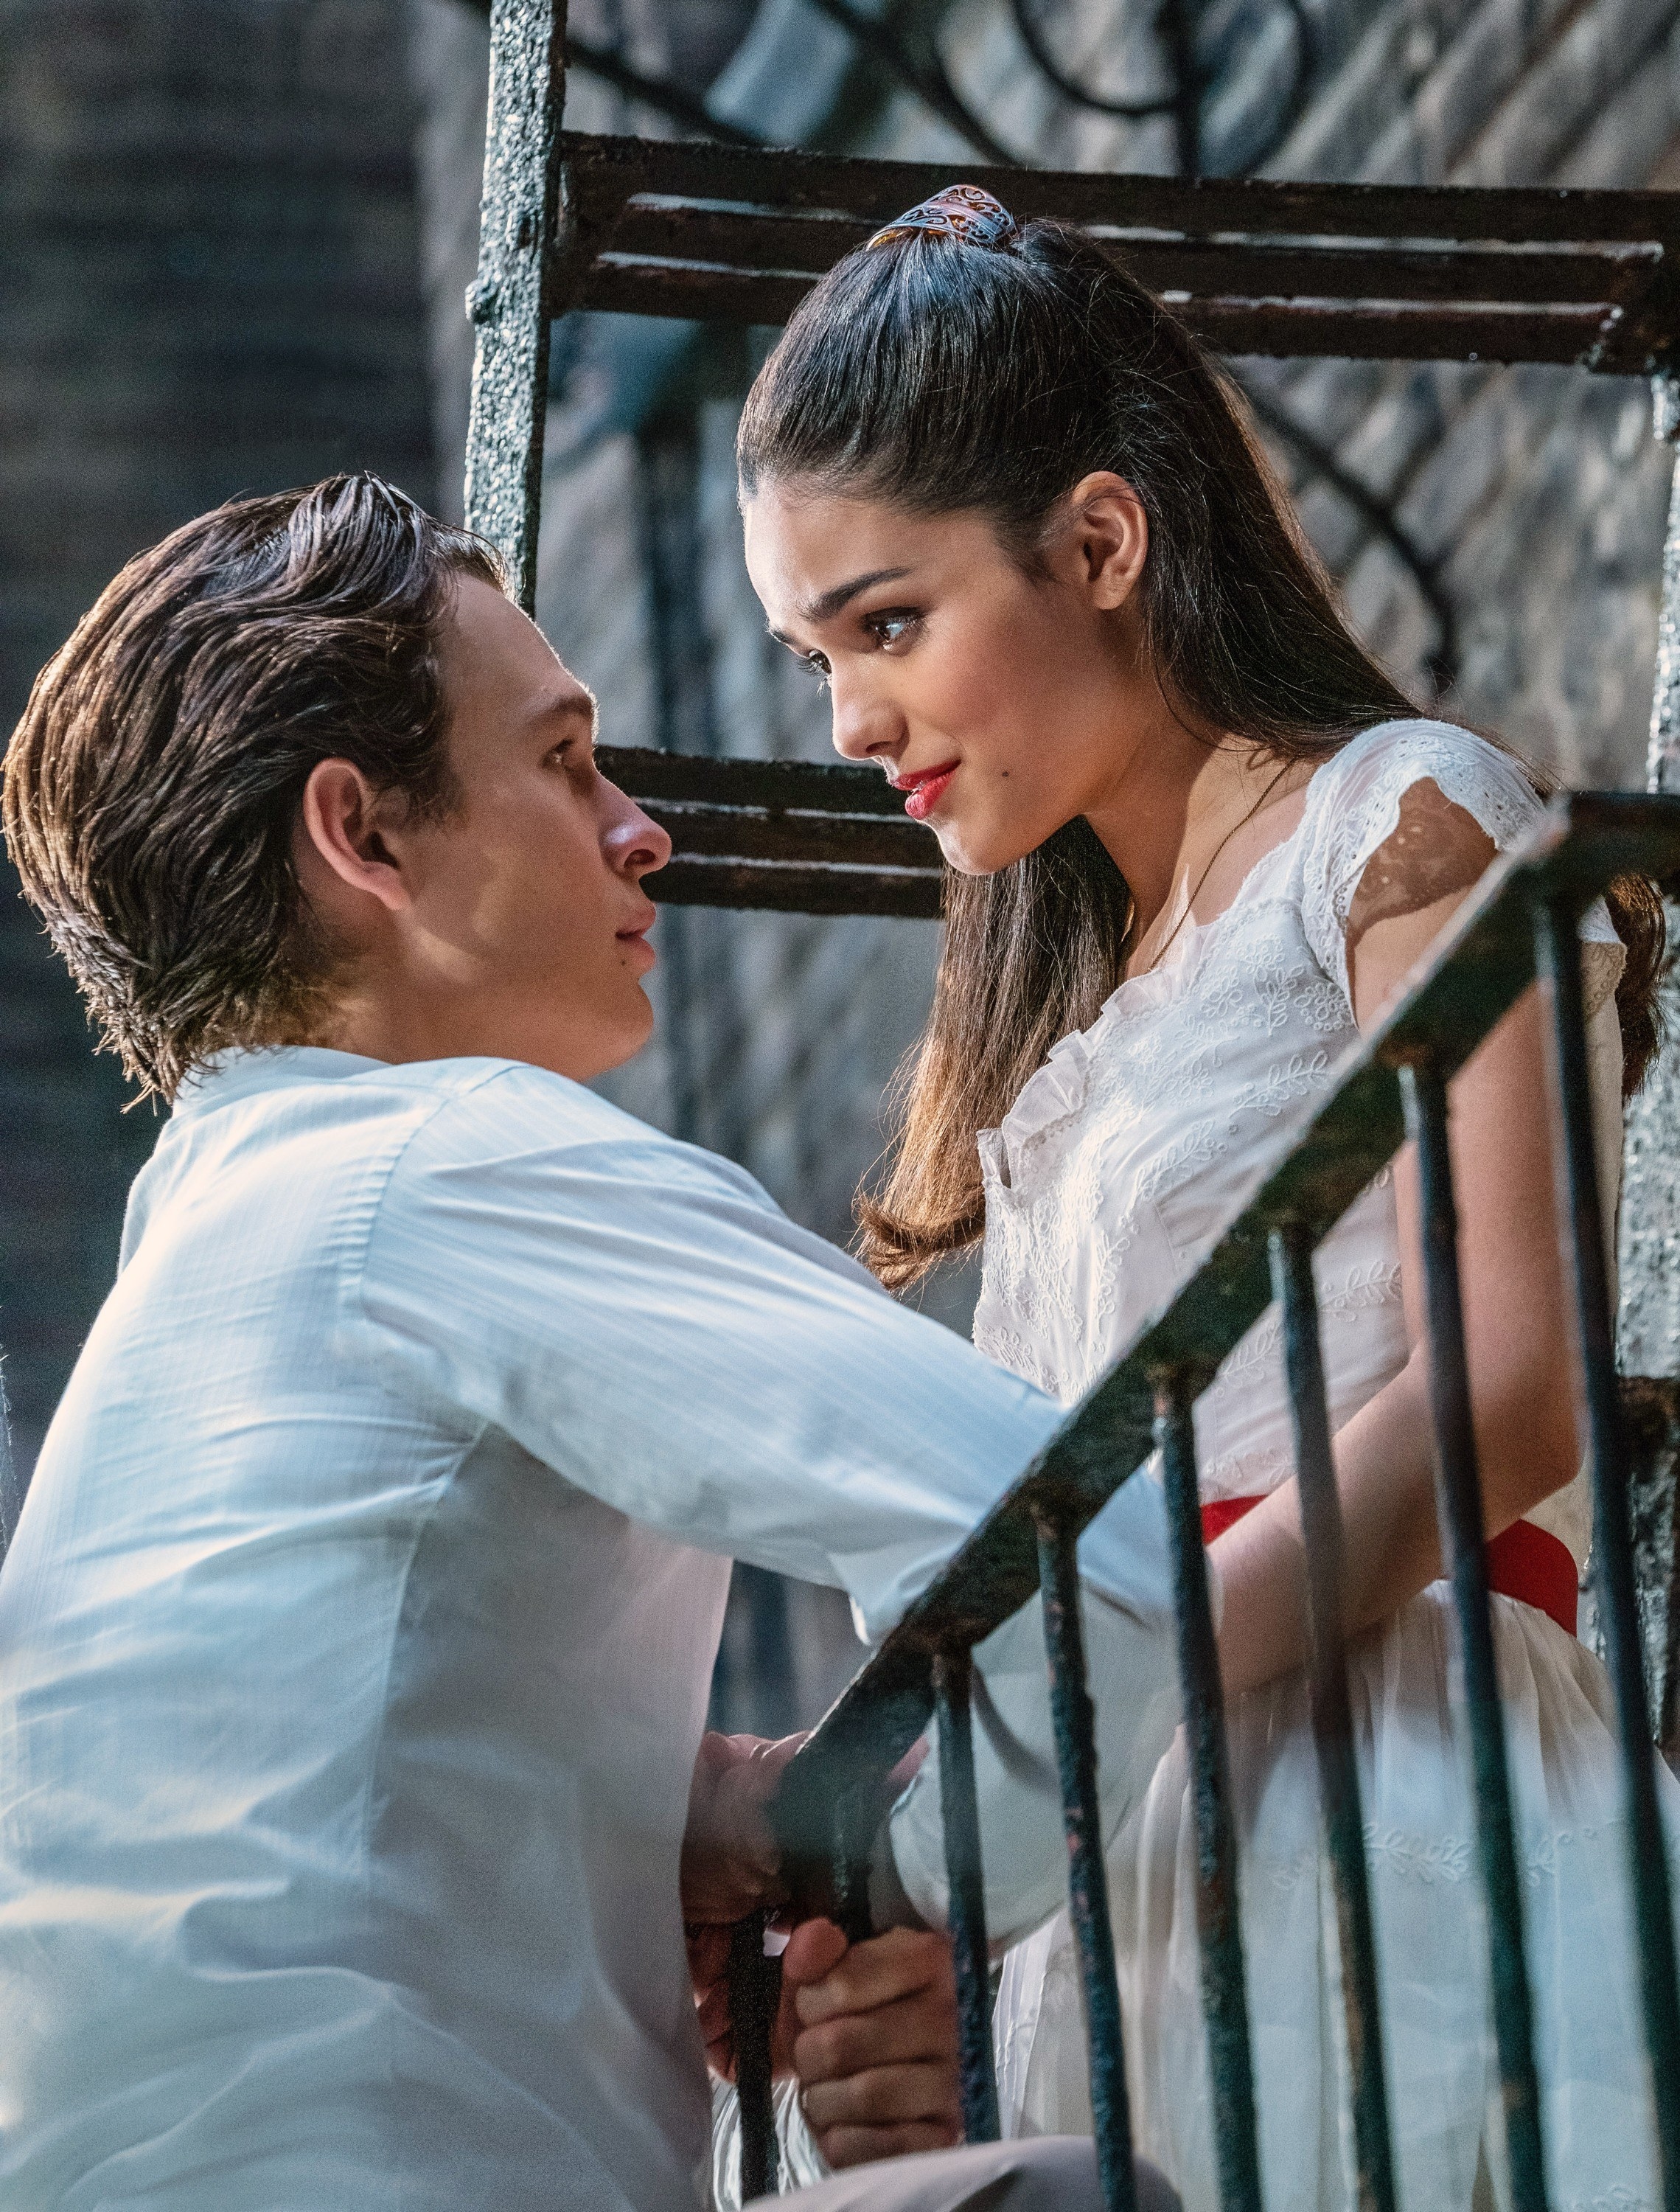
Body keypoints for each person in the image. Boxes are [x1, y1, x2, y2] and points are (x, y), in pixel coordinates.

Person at [0, 473, 1181, 2212]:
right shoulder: (436, 1158)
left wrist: (674, 1811)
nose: (643, 830)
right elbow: (1104, 1544)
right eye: (563, 762)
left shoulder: (197, 1271)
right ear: (367, 839)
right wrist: (883, 1869)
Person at [735, 184, 1680, 2210]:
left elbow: (1511, 1385)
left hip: (1390, 1790)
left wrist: (1071, 1712)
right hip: (1136, 1869)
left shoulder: (1400, 822)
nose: (847, 722)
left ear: (1099, 543)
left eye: (888, 623)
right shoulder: (1080, 1005)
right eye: (814, 652)